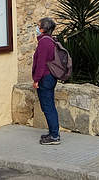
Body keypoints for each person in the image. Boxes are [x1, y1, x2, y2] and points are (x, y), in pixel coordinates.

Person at [32, 17, 60, 145]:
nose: (37, 28)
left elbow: (41, 63)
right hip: (50, 77)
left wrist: (36, 80)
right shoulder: (50, 40)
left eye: (38, 26)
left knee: (48, 107)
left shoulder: (44, 42)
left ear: (43, 29)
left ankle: (54, 136)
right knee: (49, 106)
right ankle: (53, 132)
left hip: (46, 78)